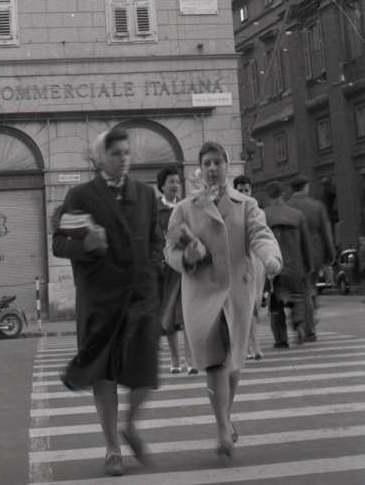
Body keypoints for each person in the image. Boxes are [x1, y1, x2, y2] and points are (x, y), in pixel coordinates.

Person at [52, 127, 162, 477]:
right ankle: (113, 449)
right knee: (104, 375)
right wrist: (85, 246)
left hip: (140, 296)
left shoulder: (145, 194)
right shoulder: (81, 195)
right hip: (99, 299)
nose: (123, 159)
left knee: (145, 370)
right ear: (101, 158)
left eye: (127, 153)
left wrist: (153, 269)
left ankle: (130, 424)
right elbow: (59, 243)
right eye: (116, 153)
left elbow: (156, 239)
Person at [164, 141, 281, 459]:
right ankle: (221, 429)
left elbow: (260, 234)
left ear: (228, 166)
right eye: (207, 163)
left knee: (234, 364)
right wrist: (186, 256)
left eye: (218, 162)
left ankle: (226, 418)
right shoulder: (185, 208)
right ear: (200, 169)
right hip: (202, 293)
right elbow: (170, 249)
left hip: (236, 292)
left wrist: (269, 257)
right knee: (216, 361)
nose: (213, 168)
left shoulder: (246, 204)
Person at [157, 166, 197, 375]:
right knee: (170, 316)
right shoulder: (155, 211)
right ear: (162, 185)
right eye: (171, 181)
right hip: (165, 270)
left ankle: (190, 360)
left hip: (186, 267)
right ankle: (175, 359)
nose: (175, 185)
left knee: (189, 314)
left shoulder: (185, 208)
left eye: (177, 181)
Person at [263, 181, 313, 348]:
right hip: (296, 266)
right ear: (283, 194)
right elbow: (306, 243)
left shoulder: (263, 216)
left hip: (274, 266)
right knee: (298, 298)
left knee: (276, 304)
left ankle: (281, 339)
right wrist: (309, 265)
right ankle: (299, 325)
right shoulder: (297, 215)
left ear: (268, 196)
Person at [287, 174, 334, 341]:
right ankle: (309, 326)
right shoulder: (317, 206)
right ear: (306, 187)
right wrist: (330, 255)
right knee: (308, 289)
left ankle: (302, 321)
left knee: (299, 290)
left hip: (292, 255)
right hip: (315, 254)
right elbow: (326, 233)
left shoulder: (287, 207)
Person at [233, 175, 265, 360]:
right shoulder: (230, 211)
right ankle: (246, 346)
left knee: (253, 305)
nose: (244, 193)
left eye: (247, 190)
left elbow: (263, 236)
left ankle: (253, 345)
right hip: (237, 262)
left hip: (254, 262)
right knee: (241, 306)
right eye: (240, 190)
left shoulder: (257, 211)